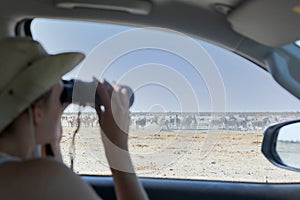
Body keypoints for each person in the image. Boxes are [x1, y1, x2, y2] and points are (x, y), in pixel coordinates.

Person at [0, 37, 149, 200]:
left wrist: (53, 142)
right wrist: (117, 149)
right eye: (61, 95)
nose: (63, 104)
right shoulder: (42, 178)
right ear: (38, 112)